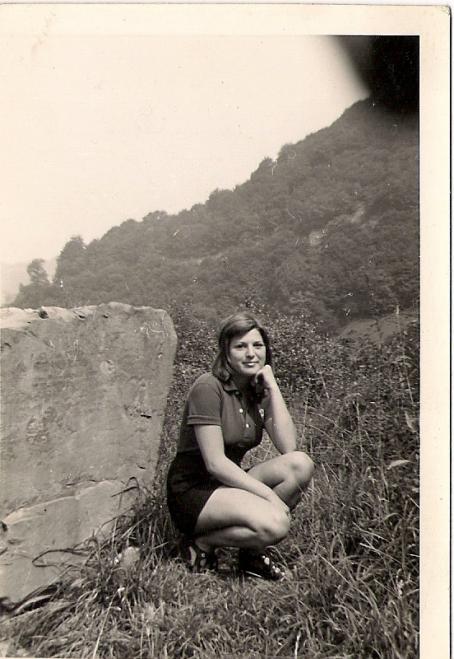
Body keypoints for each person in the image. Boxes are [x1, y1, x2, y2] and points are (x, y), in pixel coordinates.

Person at [166, 311, 314, 580]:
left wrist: (272, 386)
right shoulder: (208, 387)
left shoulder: (255, 390)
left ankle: (251, 555)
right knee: (277, 524)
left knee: (301, 465)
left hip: (227, 485)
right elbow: (215, 463)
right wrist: (269, 497)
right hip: (194, 491)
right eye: (240, 346)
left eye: (257, 345)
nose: (251, 354)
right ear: (226, 352)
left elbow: (289, 447)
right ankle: (201, 544)